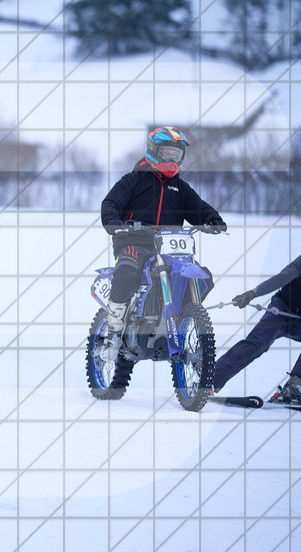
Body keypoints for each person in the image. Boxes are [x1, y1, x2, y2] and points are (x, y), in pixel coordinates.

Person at [98, 126, 226, 361]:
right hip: (134, 241)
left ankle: (183, 317)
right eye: (167, 152)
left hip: (169, 247)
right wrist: (113, 221)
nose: (172, 158)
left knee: (202, 277)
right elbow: (111, 202)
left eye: (176, 154)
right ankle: (113, 334)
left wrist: (213, 220)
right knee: (127, 271)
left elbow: (198, 208)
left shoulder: (179, 187)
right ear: (153, 151)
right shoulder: (134, 180)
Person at [213, 255, 301, 401]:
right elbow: (282, 277)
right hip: (282, 309)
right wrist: (252, 294)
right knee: (258, 343)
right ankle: (211, 380)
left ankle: (294, 387)